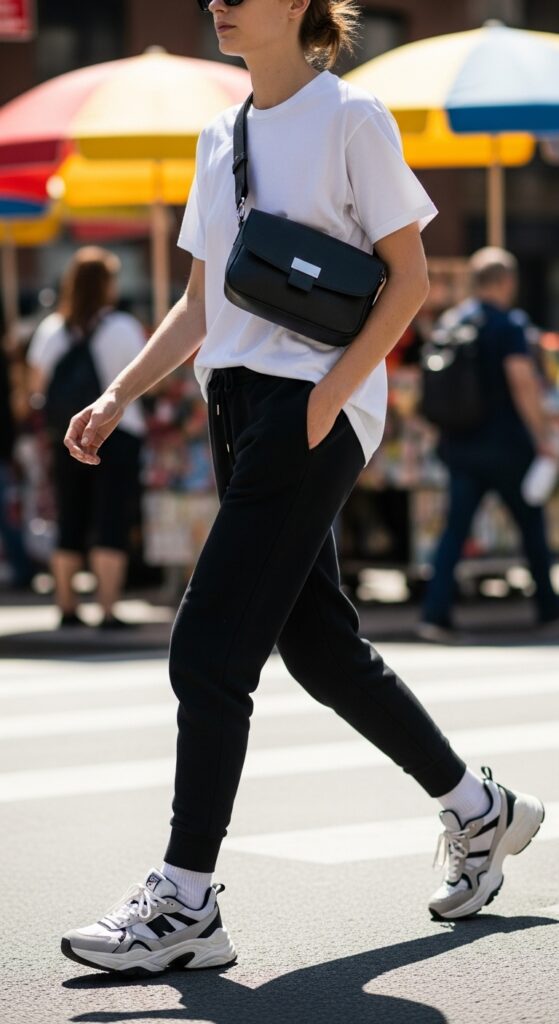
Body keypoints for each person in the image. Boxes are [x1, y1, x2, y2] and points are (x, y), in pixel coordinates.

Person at [60, 0, 544, 976]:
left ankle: (186, 898)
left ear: (297, 5)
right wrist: (118, 394)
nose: (219, 3)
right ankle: (478, 809)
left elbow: (408, 278)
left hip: (307, 409)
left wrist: (329, 397)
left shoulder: (351, 118)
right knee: (319, 645)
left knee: (208, 648)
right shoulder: (221, 136)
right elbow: (200, 303)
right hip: (235, 408)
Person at [419, 246, 559, 641]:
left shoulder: (452, 321)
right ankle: (548, 608)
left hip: (459, 445)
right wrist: (542, 437)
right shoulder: (509, 325)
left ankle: (435, 615)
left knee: (454, 531)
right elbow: (522, 382)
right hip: (508, 446)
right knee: (531, 526)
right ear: (506, 281)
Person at [27, 246, 146, 629]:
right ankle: (107, 609)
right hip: (119, 434)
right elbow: (147, 380)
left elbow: (35, 387)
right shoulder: (123, 327)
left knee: (70, 517)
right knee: (112, 518)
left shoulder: (51, 329)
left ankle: (66, 607)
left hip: (67, 434)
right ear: (106, 285)